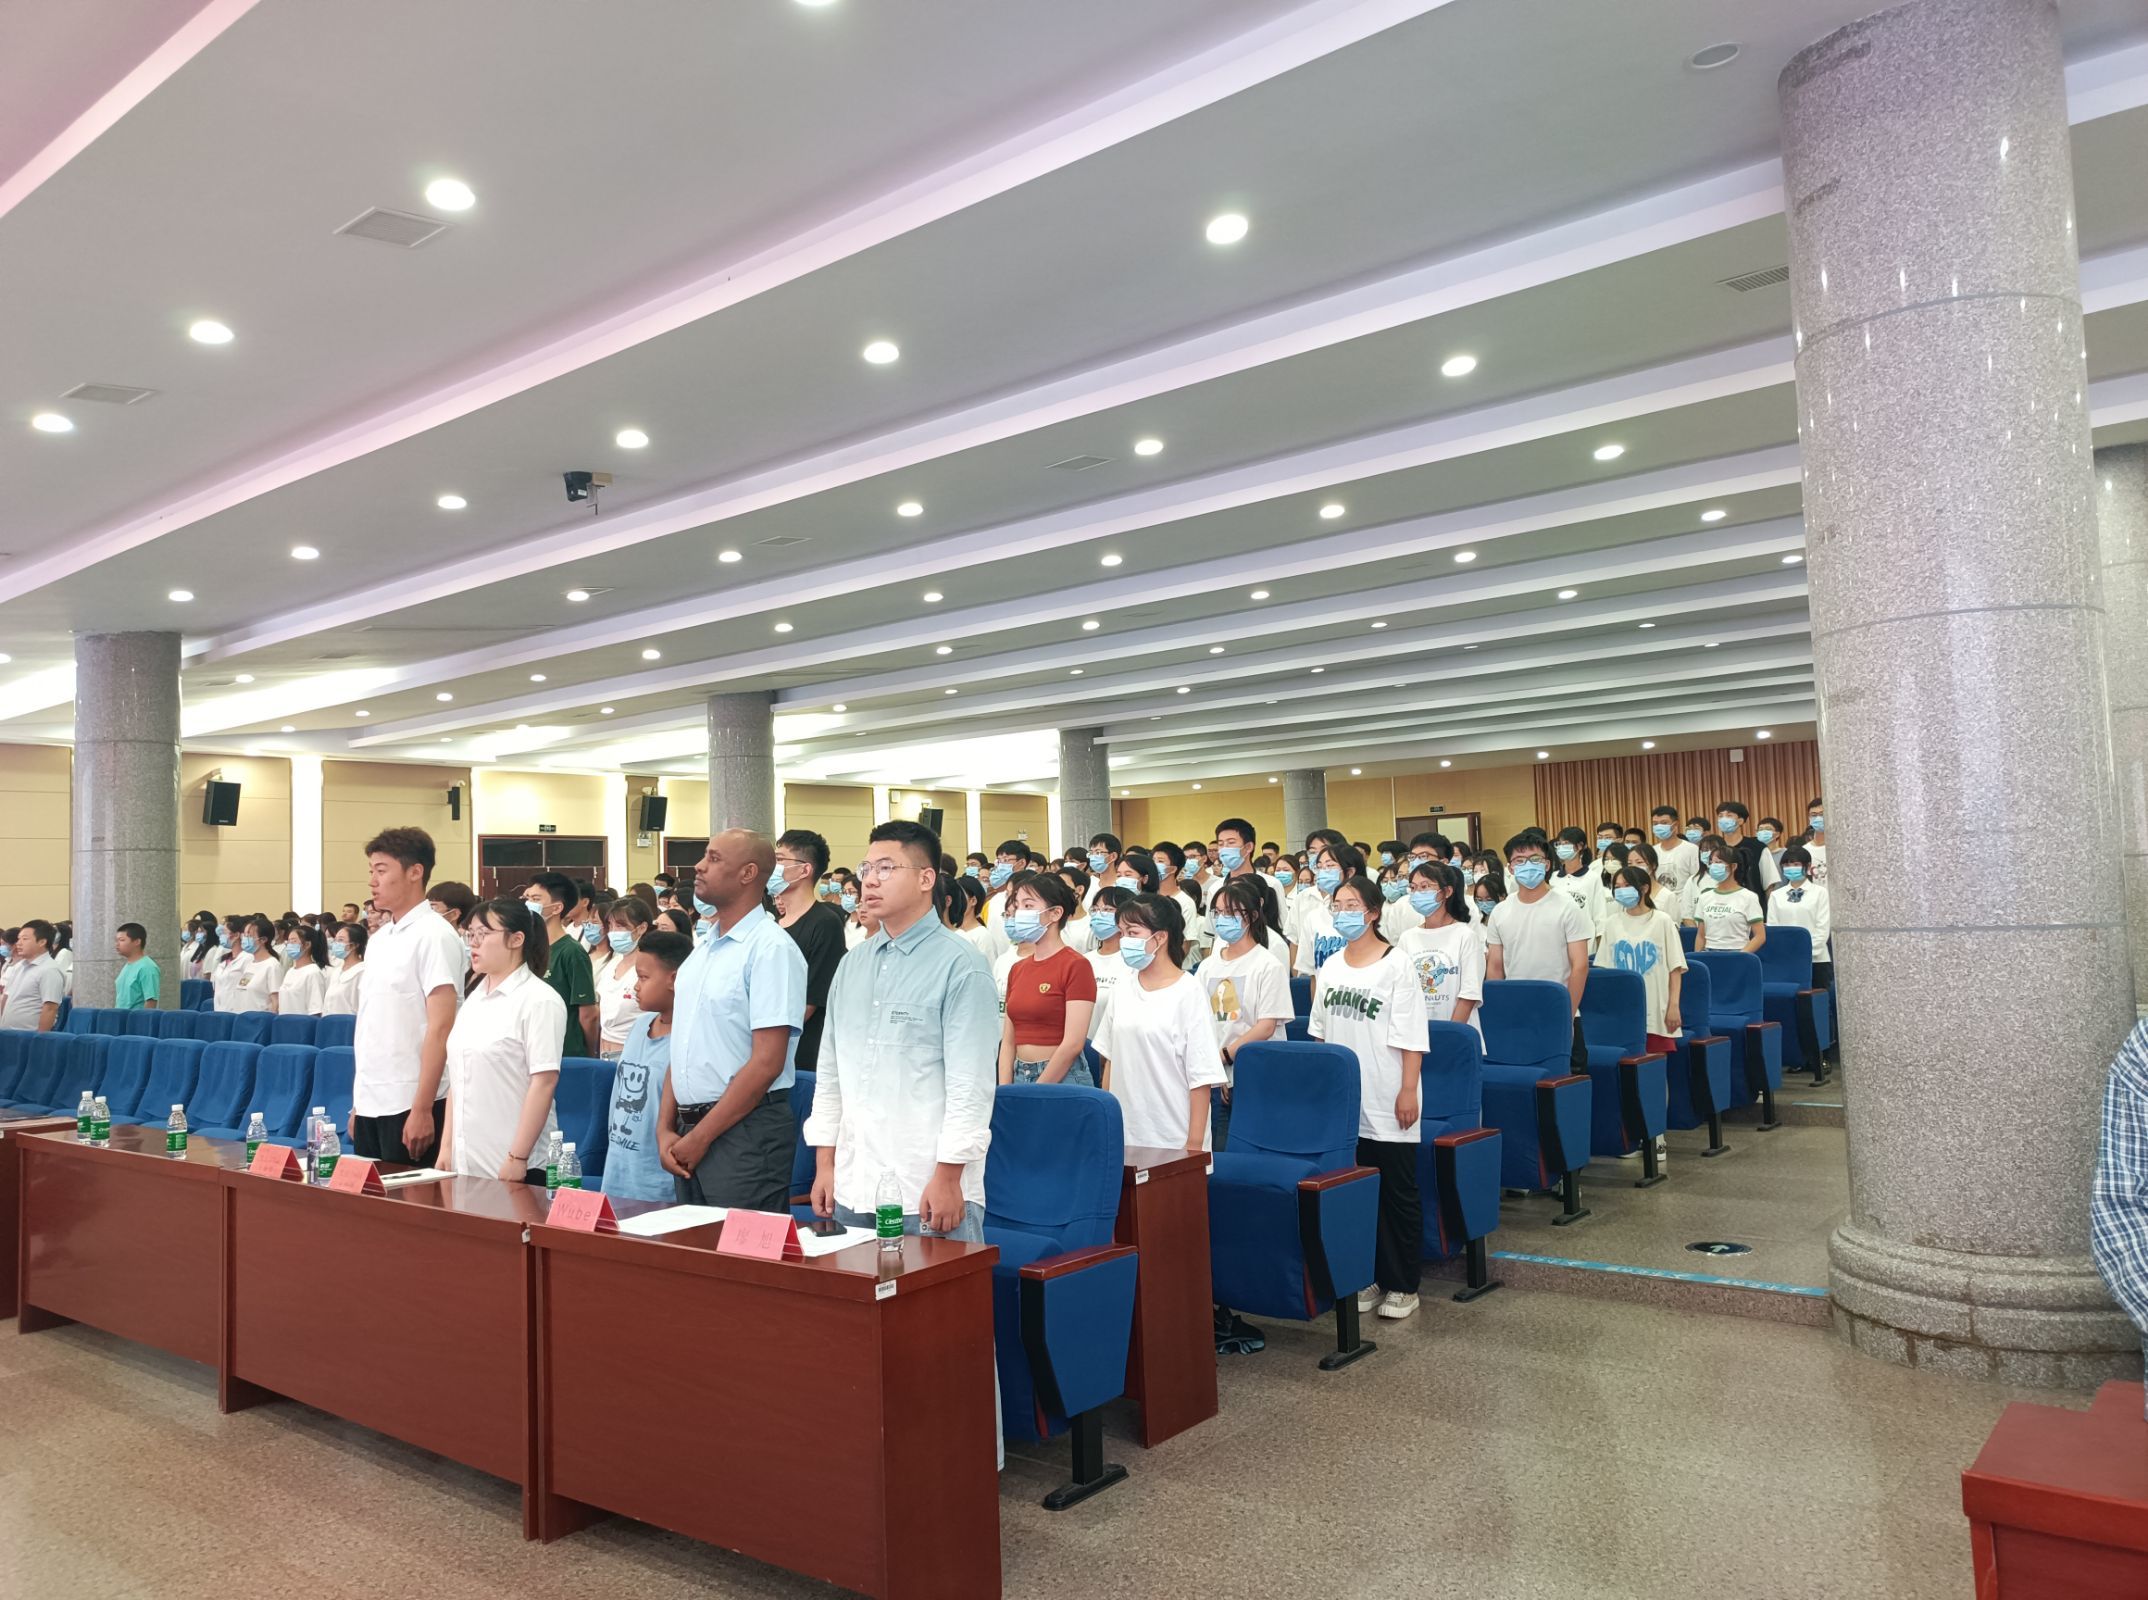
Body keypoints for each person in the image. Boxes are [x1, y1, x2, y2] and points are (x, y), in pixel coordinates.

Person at [805, 818, 997, 1241]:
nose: (870, 881)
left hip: (926, 1183)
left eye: (886, 868)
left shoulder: (961, 965)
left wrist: (948, 1176)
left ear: (926, 879)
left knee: (941, 1287)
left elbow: (971, 1085)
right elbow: (831, 1073)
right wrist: (826, 1164)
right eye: (867, 868)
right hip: (854, 1183)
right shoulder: (852, 964)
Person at [657, 830, 806, 1212]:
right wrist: (665, 1128)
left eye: (714, 858)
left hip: (745, 1132)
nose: (699, 866)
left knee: (744, 1248)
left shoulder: (770, 949)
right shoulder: (703, 948)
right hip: (688, 1129)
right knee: (694, 1246)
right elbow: (683, 1045)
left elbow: (767, 1062)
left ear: (748, 873)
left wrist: (701, 1136)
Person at [1309, 874, 1428, 1322]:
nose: (1343, 913)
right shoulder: (1331, 966)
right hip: (1344, 1103)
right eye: (1337, 905)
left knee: (1397, 1193)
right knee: (1356, 1193)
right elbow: (1321, 1035)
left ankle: (1404, 1285)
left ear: (1374, 912)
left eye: (1352, 905)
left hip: (1388, 1093)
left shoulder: (1397, 964)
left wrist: (1408, 1089)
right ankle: (1368, 1275)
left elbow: (1412, 1035)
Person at [350, 828, 462, 1165]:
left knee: (411, 1195)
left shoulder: (435, 935)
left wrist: (423, 1107)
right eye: (371, 870)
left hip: (411, 1099)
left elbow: (441, 1027)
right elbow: (372, 1026)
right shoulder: (380, 939)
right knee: (369, 1195)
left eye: (381, 870)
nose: (372, 880)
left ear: (415, 872)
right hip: (372, 1098)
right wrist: (359, 1103)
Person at [440, 897, 564, 1182]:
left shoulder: (539, 1000)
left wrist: (517, 1157)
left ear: (516, 939)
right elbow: (458, 1079)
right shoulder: (474, 998)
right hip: (466, 1159)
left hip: (515, 1162)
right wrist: (446, 1148)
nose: (473, 943)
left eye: (483, 934)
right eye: (470, 934)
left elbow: (544, 1083)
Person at [1097, 893, 1223, 1151]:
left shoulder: (1189, 992)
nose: (1124, 941)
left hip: (1173, 1135)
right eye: (1122, 933)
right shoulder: (1122, 988)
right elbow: (1110, 1060)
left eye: (1133, 933)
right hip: (1125, 1134)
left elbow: (1200, 1078)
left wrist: (1193, 1146)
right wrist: (1107, 1125)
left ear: (1161, 937)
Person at [1484, 832, 1592, 1072]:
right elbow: (1495, 967)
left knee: (1563, 1084)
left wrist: (1567, 1015)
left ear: (1547, 864)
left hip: (1559, 1012)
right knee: (1519, 1082)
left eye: (1535, 859)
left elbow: (1580, 966)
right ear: (1510, 868)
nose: (1527, 865)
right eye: (1519, 860)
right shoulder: (1500, 911)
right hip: (1515, 1014)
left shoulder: (1567, 907)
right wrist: (1500, 1010)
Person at [1198, 878, 1294, 1149]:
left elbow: (1266, 1026)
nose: (1222, 919)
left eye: (1231, 912)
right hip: (1215, 1073)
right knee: (1217, 1149)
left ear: (1251, 916)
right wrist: (1215, 1070)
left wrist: (1223, 1059)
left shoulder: (1267, 964)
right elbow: (1199, 1022)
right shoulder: (1207, 966)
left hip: (1256, 1072)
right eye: (1218, 912)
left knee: (1250, 1149)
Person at [603, 929, 690, 1203]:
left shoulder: (688, 1038)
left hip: (658, 1183)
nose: (635, 987)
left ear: (674, 979)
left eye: (643, 978)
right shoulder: (640, 1025)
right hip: (618, 1172)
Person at [998, 872, 1097, 1086]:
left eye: (1028, 905)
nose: (1019, 913)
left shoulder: (1076, 965)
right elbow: (1008, 1041)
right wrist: (1006, 1089)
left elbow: (1073, 1043)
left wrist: (1037, 1091)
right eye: (1017, 905)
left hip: (1064, 1077)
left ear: (1055, 913)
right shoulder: (1017, 969)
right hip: (1020, 1075)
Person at [772, 828, 848, 1072]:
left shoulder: (824, 923)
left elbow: (810, 1000)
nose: (773, 868)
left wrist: (768, 1042)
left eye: (780, 860)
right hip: (765, 1044)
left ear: (804, 870)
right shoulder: (772, 924)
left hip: (800, 1052)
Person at [1595, 865, 1686, 1044]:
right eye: (1617, 887)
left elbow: (1675, 968)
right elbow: (1604, 969)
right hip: (1621, 1008)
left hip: (1656, 1009)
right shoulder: (1612, 923)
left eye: (1627, 885)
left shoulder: (1663, 921)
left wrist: (1674, 1006)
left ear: (1644, 888)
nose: (1622, 891)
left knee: (1654, 1058)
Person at [1398, 861, 1483, 1037]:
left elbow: (1469, 995)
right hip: (1416, 1036)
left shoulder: (1465, 936)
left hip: (1457, 1035)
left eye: (1425, 887)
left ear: (1447, 891)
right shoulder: (1407, 938)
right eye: (1413, 888)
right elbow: (1402, 992)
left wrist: (1449, 1036)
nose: (1417, 893)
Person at [521, 871, 599, 1058]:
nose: (528, 904)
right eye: (527, 898)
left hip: (565, 1052)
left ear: (556, 908)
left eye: (536, 899)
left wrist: (588, 1054)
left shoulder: (572, 952)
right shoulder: (527, 948)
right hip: (532, 1049)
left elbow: (588, 1014)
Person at [1766, 844, 1833, 991]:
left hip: (1816, 960)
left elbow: (1822, 929)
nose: (1791, 868)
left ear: (1808, 866)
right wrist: (1787, 954)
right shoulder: (1776, 895)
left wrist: (1803, 953)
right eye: (1787, 865)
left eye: (1796, 864)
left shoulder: (1820, 893)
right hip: (1785, 961)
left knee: (1816, 1001)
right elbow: (1773, 928)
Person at [596, 896, 651, 1058]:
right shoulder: (613, 963)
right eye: (610, 925)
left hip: (633, 1053)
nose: (613, 932)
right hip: (605, 1052)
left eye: (620, 926)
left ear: (641, 928)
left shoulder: (648, 967)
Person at [1688, 842, 1766, 953]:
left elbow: (1760, 936)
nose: (1713, 866)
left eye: (1718, 862)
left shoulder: (1749, 897)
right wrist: (1699, 956)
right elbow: (1701, 936)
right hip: (1709, 953)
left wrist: (1740, 956)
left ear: (1733, 866)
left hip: (1737, 953)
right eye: (1711, 862)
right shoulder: (1705, 897)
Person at [0, 921, 66, 1031]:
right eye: (18, 939)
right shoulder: (19, 966)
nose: (18, 943)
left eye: (25, 939)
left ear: (42, 942)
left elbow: (50, 1008)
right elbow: (6, 997)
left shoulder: (49, 970)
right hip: (8, 1033)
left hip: (29, 1035)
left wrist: (40, 1038)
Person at [228, 916, 283, 1014]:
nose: (244, 939)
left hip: (260, 1020)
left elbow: (276, 1002)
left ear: (263, 939)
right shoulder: (250, 963)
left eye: (249, 936)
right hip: (242, 1018)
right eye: (244, 935)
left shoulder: (272, 965)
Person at [280, 922, 331, 1016]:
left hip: (302, 1023)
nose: (289, 945)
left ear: (307, 945)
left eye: (293, 941)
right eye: (288, 941)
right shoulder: (291, 971)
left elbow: (316, 1010)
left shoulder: (313, 973)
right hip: (285, 1022)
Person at [322, 922, 367, 1014]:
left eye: (340, 940)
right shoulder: (337, 971)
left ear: (354, 945)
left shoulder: (362, 972)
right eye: (335, 940)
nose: (335, 944)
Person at [112, 923, 160, 1010]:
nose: (117, 944)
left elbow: (151, 1001)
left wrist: (143, 1018)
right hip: (121, 1017)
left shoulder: (147, 967)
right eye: (116, 940)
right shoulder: (128, 965)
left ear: (137, 942)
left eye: (122, 940)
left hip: (135, 1017)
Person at [1803, 797, 1830, 884]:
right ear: (1809, 818)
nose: (1818, 818)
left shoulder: (1840, 847)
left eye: (1822, 814)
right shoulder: (1805, 850)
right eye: (1814, 815)